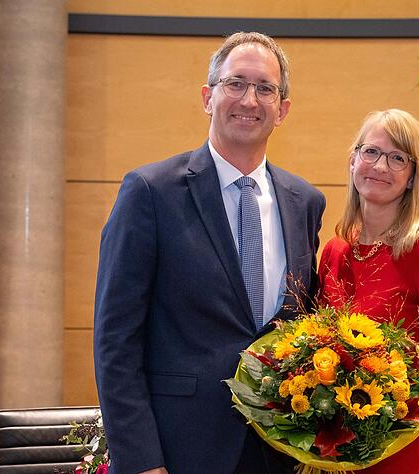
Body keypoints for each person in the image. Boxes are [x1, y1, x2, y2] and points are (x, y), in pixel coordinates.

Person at [93, 32, 325, 474]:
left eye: (265, 88)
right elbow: (115, 340)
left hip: (280, 449)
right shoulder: (149, 192)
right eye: (235, 83)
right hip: (180, 449)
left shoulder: (304, 202)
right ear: (208, 96)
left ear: (283, 110)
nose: (249, 100)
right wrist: (141, 460)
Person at [319, 109, 419, 473]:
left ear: (411, 177)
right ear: (353, 160)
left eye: (397, 158)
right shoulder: (335, 251)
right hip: (332, 454)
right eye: (371, 152)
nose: (380, 166)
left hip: (400, 453)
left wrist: (383, 415)